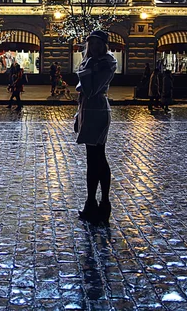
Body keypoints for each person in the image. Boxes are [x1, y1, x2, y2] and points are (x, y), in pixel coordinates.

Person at [74, 30, 117, 225]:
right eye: (91, 43)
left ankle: (103, 203)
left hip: (98, 110)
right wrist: (77, 116)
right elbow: (81, 93)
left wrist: (87, 70)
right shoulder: (90, 61)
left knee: (99, 157)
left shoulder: (106, 62)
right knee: (92, 159)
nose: (93, 47)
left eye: (97, 43)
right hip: (87, 110)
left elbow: (91, 90)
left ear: (104, 45)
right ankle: (92, 202)